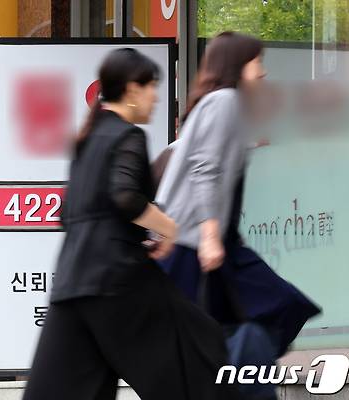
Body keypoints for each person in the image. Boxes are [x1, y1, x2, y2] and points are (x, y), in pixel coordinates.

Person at [23, 48, 239, 400]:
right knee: (199, 352)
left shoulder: (87, 139)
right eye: (152, 86)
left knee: (71, 390)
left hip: (72, 285)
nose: (156, 96)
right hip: (118, 279)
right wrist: (167, 228)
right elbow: (124, 197)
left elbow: (69, 213)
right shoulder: (128, 136)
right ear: (131, 89)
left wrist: (134, 233)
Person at [156, 32, 320, 398]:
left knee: (258, 316)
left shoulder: (221, 106)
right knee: (276, 308)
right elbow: (205, 168)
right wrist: (211, 237)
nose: (262, 72)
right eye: (256, 62)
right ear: (237, 66)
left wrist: (249, 142)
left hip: (205, 243)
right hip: (194, 244)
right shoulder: (224, 101)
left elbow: (197, 152)